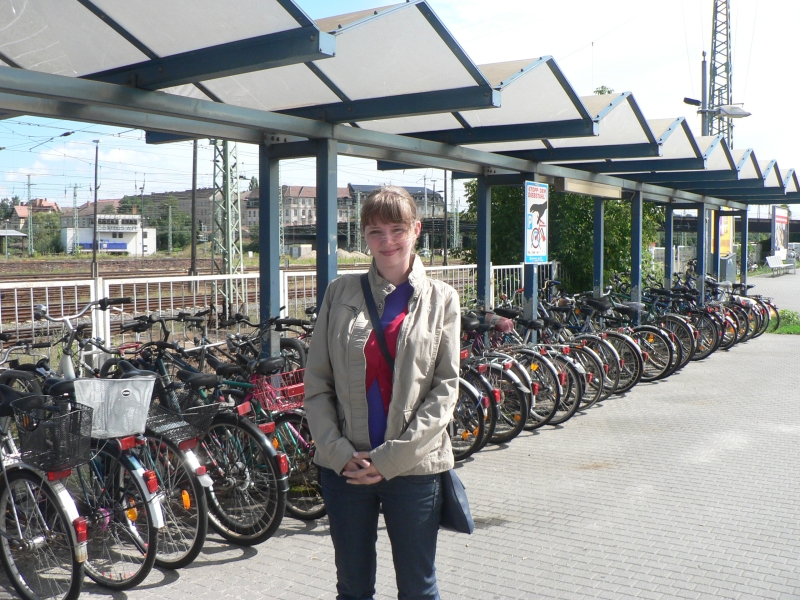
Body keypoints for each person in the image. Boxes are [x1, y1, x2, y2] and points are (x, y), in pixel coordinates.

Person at [304, 185, 460, 600]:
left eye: (397, 229)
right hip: (347, 467)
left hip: (413, 469)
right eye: (376, 231)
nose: (387, 241)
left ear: (416, 230)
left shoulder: (442, 299)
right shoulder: (339, 293)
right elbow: (317, 384)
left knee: (417, 588)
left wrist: (390, 459)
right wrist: (338, 452)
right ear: (364, 236)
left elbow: (445, 390)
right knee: (353, 588)